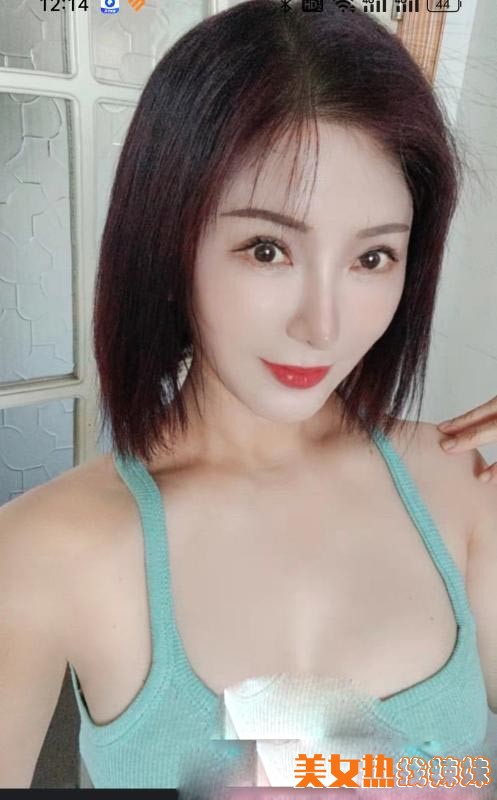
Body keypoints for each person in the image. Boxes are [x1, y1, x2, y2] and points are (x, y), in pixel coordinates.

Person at [0, 0, 496, 796]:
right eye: (267, 249)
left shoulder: (459, 487)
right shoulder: (42, 550)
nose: (322, 325)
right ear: (169, 241)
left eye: (371, 257)